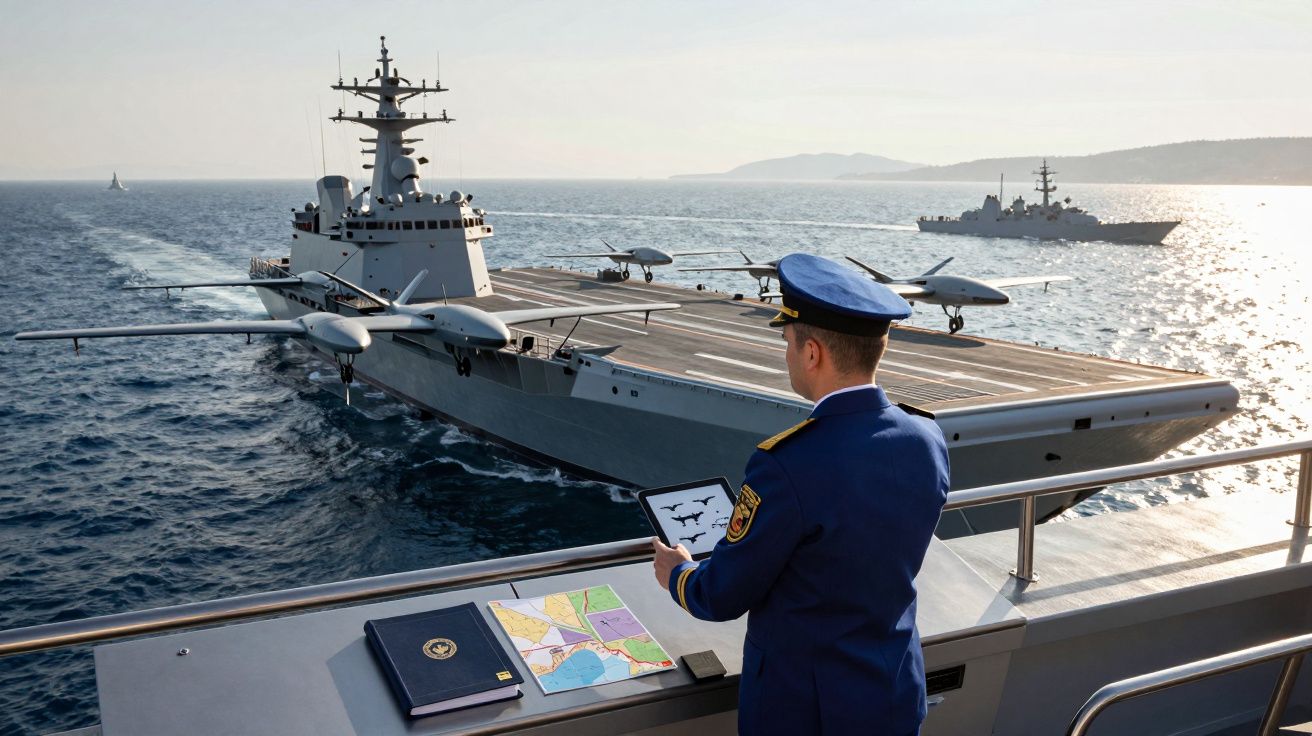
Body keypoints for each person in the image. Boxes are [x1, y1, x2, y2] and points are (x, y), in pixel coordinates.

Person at [652, 253, 950, 735]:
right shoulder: (926, 437)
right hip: (892, 693)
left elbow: (722, 595)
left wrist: (679, 572)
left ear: (812, 353)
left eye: (788, 342)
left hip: (805, 713)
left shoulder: (788, 463)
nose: (787, 354)